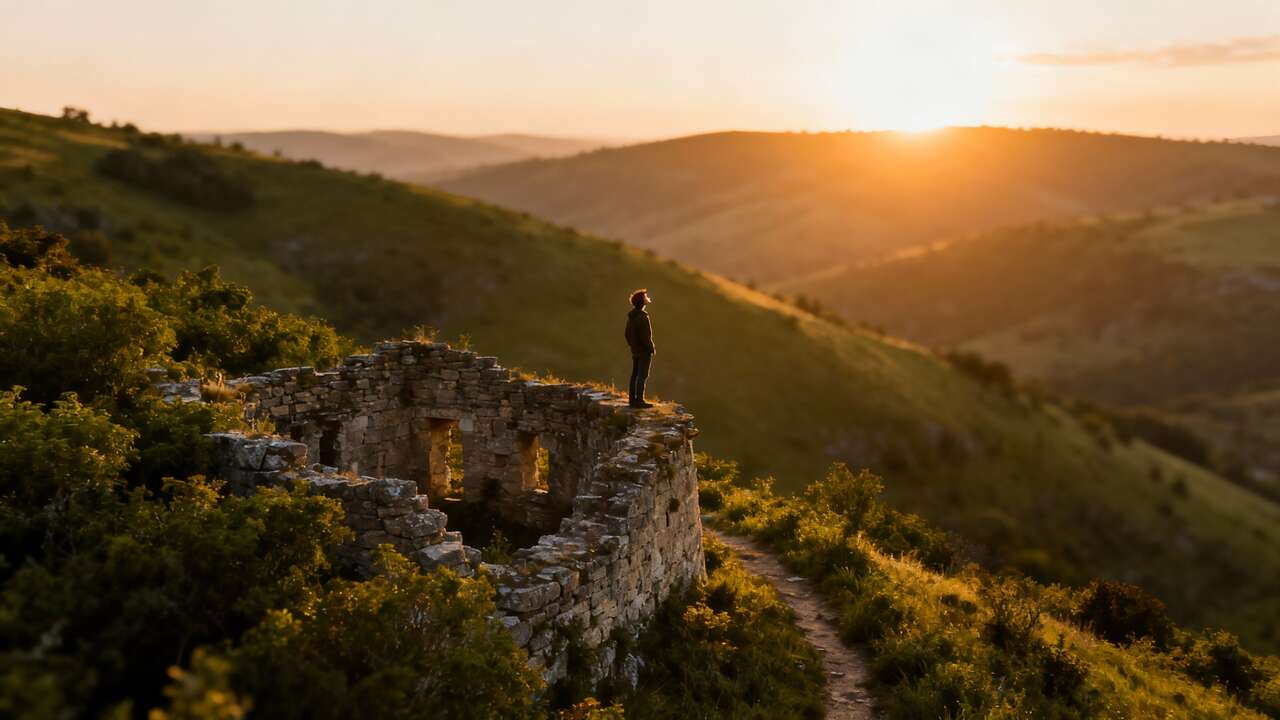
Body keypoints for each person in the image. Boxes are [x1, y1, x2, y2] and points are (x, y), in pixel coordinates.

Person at [624, 288, 656, 408]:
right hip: (644, 352)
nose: (647, 297)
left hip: (635, 351)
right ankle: (639, 401)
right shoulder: (643, 317)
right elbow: (645, 337)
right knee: (642, 375)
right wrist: (651, 347)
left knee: (635, 375)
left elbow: (627, 334)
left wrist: (633, 345)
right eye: (645, 296)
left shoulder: (632, 317)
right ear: (642, 301)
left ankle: (632, 400)